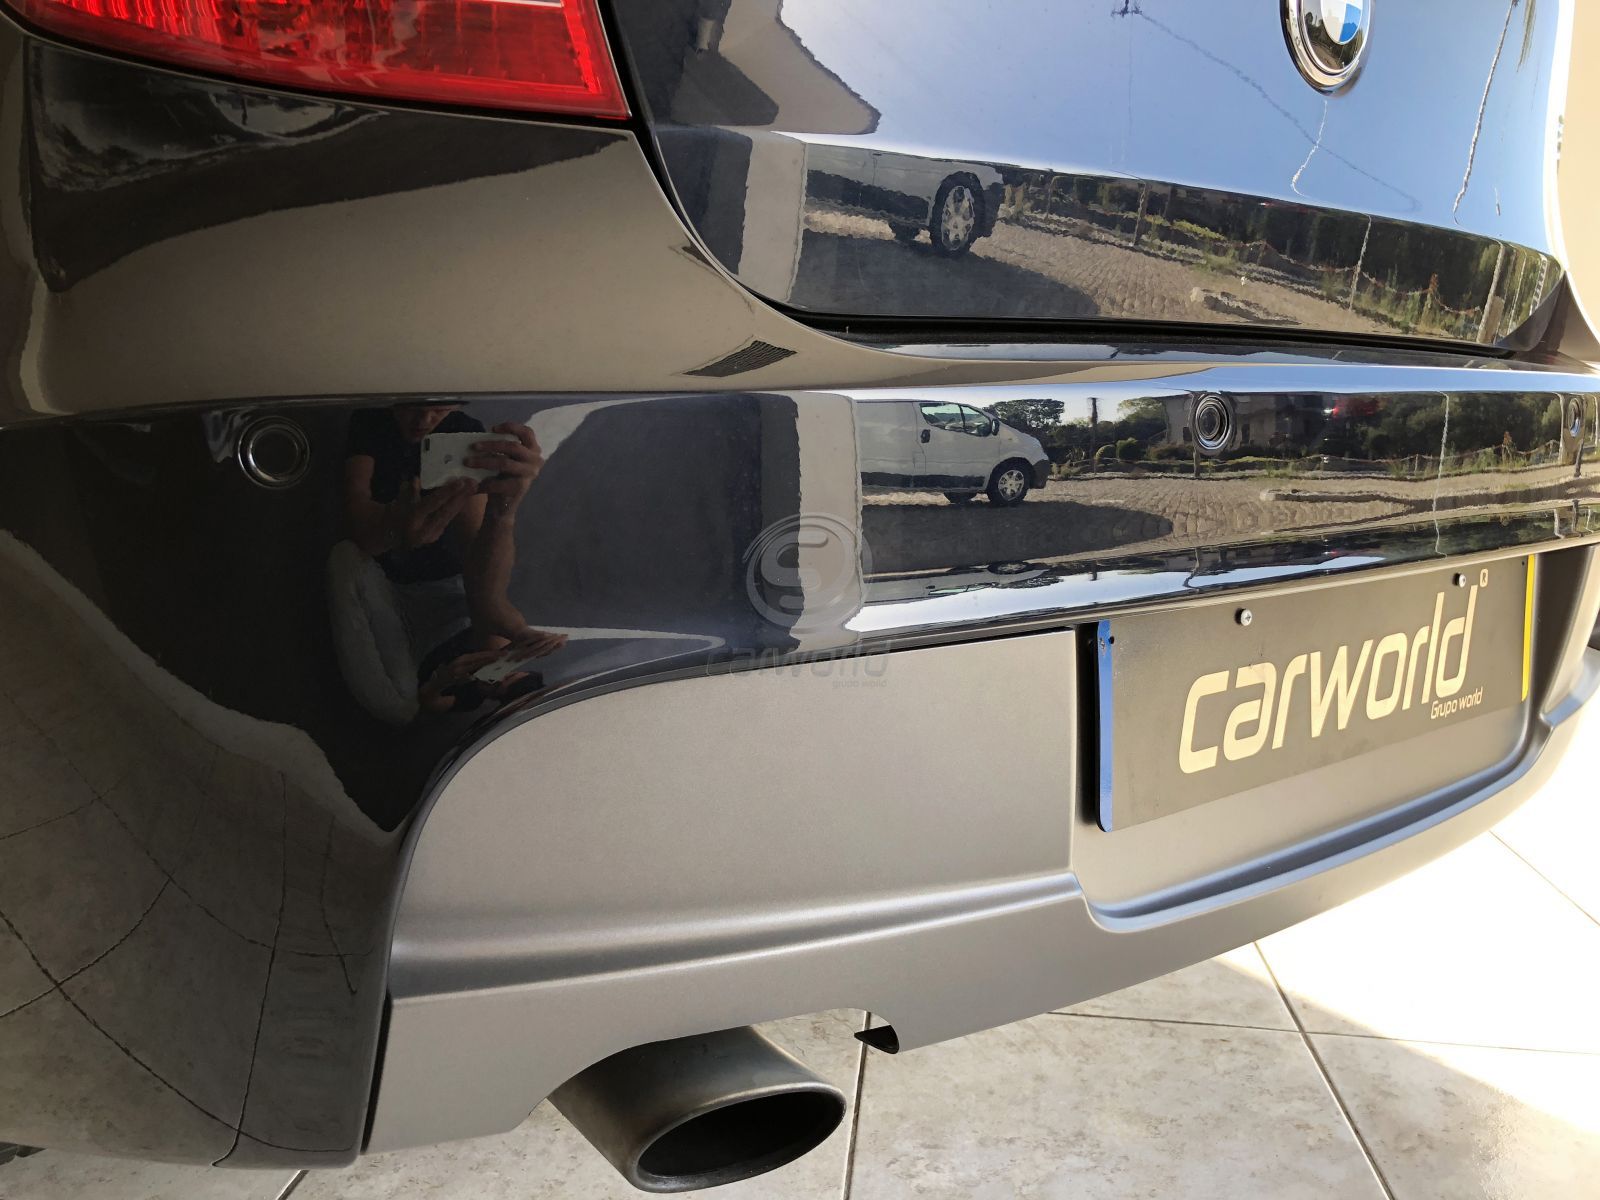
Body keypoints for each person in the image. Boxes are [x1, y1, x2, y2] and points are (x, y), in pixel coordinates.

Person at [332, 404, 565, 721]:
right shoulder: (375, 420)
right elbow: (355, 519)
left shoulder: (470, 689)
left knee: (398, 709)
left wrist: (503, 512)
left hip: (407, 611)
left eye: (439, 409)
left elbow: (478, 561)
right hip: (406, 582)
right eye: (416, 406)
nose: (424, 420)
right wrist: (394, 529)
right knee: (347, 555)